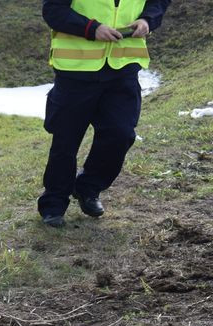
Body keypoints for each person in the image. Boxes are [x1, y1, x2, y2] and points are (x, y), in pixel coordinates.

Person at [37, 0, 171, 227]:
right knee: (65, 142)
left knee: (121, 134)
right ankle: (54, 204)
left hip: (123, 68)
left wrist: (148, 19)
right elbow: (53, 10)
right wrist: (91, 28)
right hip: (75, 71)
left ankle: (88, 188)